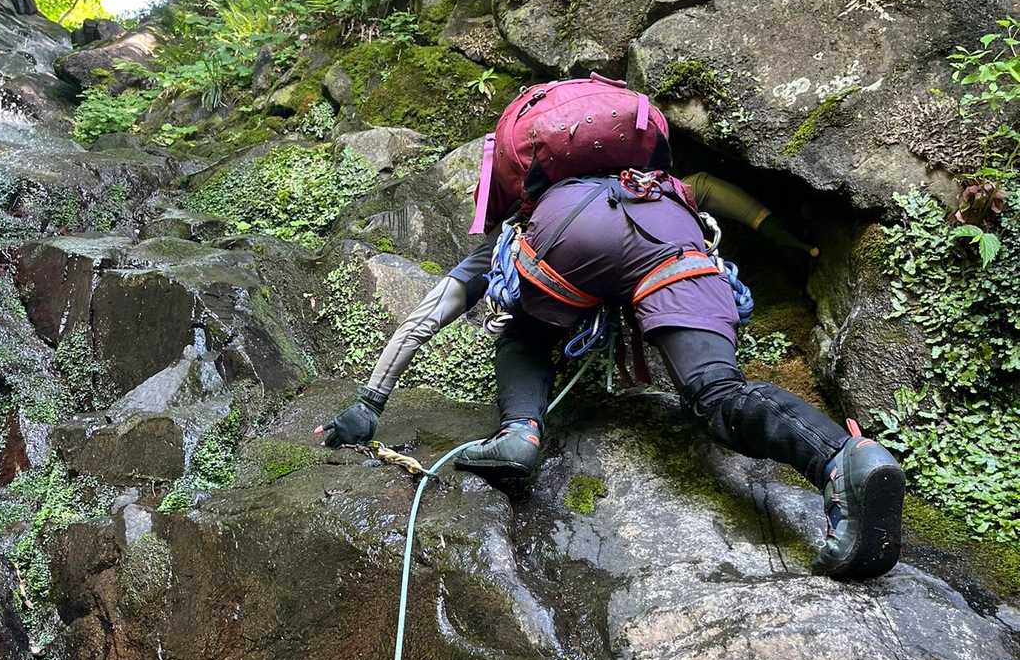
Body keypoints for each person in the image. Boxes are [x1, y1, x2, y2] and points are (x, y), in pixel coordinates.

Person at [316, 149, 904, 582]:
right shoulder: (655, 185)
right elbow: (712, 189)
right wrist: (788, 241)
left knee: (523, 329)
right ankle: (843, 458)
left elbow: (430, 312)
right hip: (674, 241)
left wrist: (370, 402)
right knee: (717, 392)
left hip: (569, 242)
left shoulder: (533, 220)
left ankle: (519, 434)